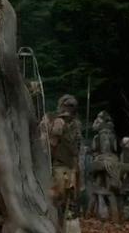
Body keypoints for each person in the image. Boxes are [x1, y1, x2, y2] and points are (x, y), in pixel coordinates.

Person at [40, 94, 82, 222]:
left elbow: (77, 146)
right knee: (56, 195)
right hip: (55, 164)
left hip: (70, 165)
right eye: (68, 106)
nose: (70, 109)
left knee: (70, 197)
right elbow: (46, 143)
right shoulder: (51, 119)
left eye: (72, 107)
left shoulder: (76, 124)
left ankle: (66, 222)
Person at [87, 110, 121, 221]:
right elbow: (115, 148)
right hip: (110, 158)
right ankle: (111, 213)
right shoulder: (112, 133)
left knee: (100, 184)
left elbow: (94, 148)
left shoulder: (98, 136)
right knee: (101, 184)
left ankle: (91, 212)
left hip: (103, 159)